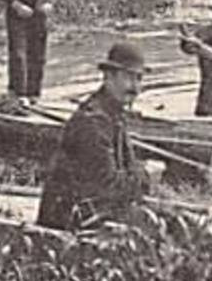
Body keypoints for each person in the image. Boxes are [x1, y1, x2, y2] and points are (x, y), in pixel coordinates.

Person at [37, 41, 151, 232]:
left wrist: (139, 176)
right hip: (70, 222)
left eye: (139, 79)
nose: (136, 88)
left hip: (95, 210)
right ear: (108, 77)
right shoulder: (92, 122)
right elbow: (108, 187)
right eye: (129, 78)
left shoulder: (114, 115)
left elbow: (127, 169)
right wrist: (146, 176)